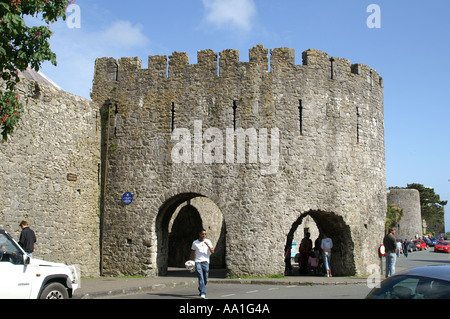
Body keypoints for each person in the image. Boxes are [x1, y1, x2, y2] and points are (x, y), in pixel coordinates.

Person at [189, 229, 214, 299]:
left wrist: (208, 245)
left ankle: (201, 288)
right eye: (202, 234)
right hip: (198, 261)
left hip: (206, 261)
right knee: (200, 276)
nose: (204, 235)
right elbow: (192, 252)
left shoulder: (208, 241)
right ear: (199, 234)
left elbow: (212, 251)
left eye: (205, 234)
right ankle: (203, 293)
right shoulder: (195, 242)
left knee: (205, 278)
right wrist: (190, 261)